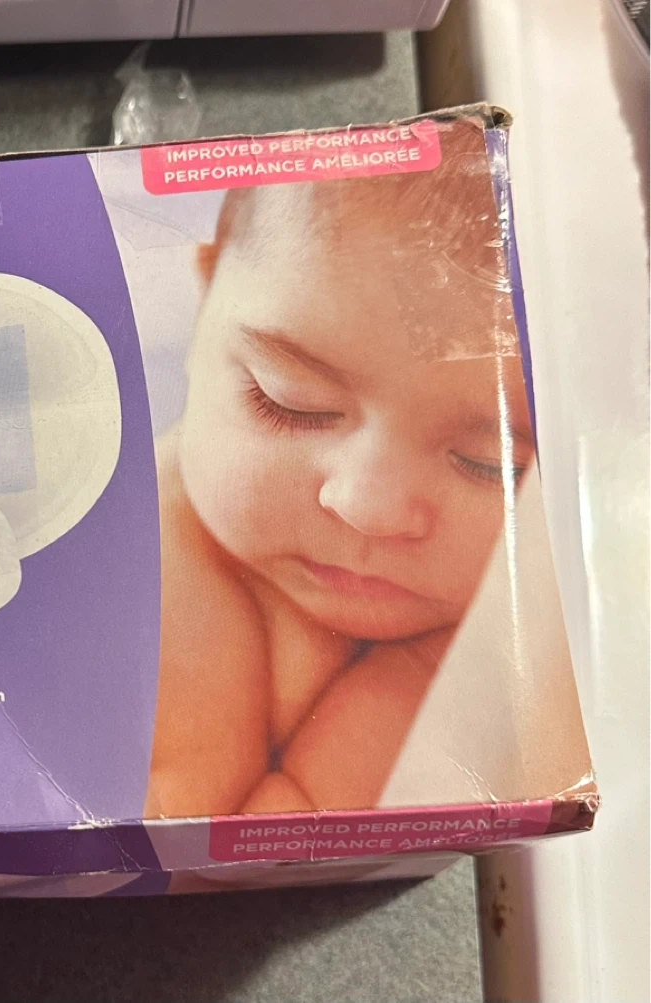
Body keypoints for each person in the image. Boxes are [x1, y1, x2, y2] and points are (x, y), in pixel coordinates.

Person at [146, 121, 531, 817]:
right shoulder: (152, 557)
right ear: (206, 300)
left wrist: (422, 681)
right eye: (291, 403)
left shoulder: (514, 614)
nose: (367, 506)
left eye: (487, 463)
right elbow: (174, 834)